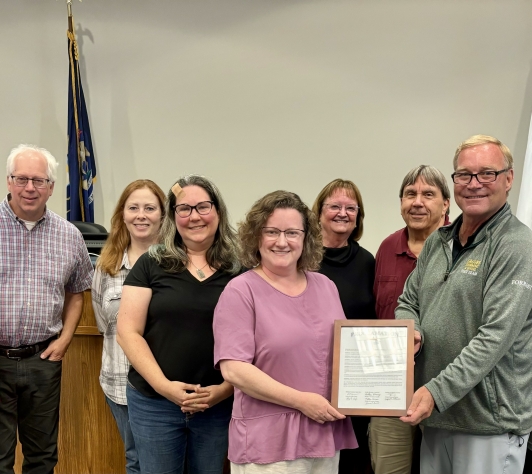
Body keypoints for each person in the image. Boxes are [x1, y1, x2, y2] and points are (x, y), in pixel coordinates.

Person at [396, 135, 532, 474]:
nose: (474, 184)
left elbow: (495, 337)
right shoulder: (437, 242)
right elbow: (407, 301)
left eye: (486, 173)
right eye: (464, 175)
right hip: (438, 416)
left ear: (509, 178)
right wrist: (409, 328)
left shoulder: (516, 245)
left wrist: (435, 392)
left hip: (488, 425)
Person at [214, 190, 357, 474]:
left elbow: (347, 353)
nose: (282, 241)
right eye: (272, 232)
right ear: (256, 236)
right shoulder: (241, 291)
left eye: (292, 232)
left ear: (306, 238)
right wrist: (302, 401)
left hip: (323, 432)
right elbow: (234, 370)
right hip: (269, 443)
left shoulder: (325, 286)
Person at [116, 175, 240, 474]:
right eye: (184, 209)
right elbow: (127, 332)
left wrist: (224, 390)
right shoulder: (151, 263)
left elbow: (256, 340)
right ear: (173, 216)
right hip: (154, 402)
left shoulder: (241, 269)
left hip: (217, 405)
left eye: (203, 207)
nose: (194, 216)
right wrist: (165, 387)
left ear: (218, 212)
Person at [0, 144, 93, 473]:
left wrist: (66, 338)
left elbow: (78, 291)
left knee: (42, 457)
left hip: (43, 360)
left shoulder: (69, 236)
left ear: (52, 187)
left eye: (39, 181)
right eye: (22, 178)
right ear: (9, 181)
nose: (29, 188)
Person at [369, 165, 450, 474]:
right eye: (410, 194)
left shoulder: (464, 249)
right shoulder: (387, 248)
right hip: (391, 388)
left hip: (446, 388)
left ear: (446, 204)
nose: (418, 202)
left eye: (428, 194)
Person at [92, 179, 166, 474]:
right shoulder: (106, 266)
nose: (141, 215)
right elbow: (103, 324)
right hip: (120, 383)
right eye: (133, 207)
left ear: (163, 214)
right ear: (122, 214)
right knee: (135, 460)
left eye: (150, 208)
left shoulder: (179, 264)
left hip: (166, 386)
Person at [312, 179, 375, 474]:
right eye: (334, 206)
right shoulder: (300, 259)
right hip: (308, 378)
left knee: (351, 460)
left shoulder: (367, 262)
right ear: (319, 213)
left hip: (355, 383)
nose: (342, 213)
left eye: (351, 208)